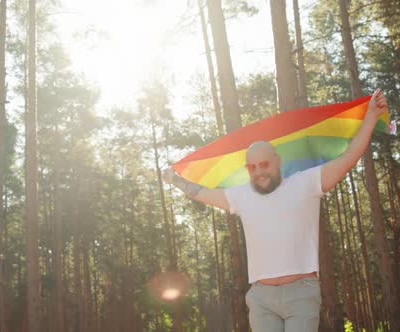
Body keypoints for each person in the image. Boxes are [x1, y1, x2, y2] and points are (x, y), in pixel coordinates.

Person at [163, 89, 388, 332]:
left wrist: (371, 117)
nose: (258, 171)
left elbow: (348, 158)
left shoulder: (306, 183)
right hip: (261, 299)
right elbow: (201, 193)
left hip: (301, 295)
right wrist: (176, 180)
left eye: (264, 164)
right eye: (252, 167)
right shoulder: (241, 195)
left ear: (277, 161)